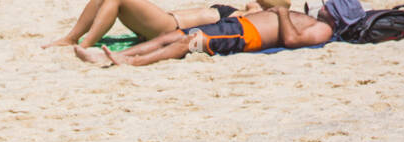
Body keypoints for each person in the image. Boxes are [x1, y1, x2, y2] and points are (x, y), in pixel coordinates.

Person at [76, 3, 335, 66]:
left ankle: (132, 62)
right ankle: (111, 56)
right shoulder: (310, 19)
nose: (322, 7)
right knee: (173, 36)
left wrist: (280, 15)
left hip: (244, 36)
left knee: (189, 43)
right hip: (239, 26)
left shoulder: (323, 29)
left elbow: (291, 40)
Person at [47, 0, 281, 49]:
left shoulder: (243, 17)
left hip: (168, 26)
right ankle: (72, 36)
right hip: (164, 20)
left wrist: (253, 10)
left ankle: (85, 43)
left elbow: (280, 6)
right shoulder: (239, 10)